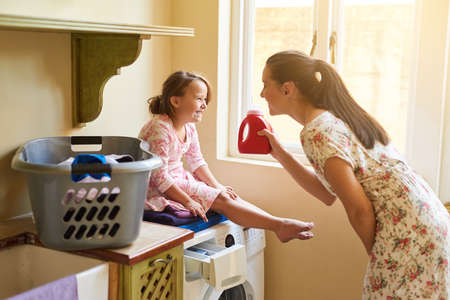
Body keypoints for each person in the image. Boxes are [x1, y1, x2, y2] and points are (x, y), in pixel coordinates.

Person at [257, 50, 449, 299]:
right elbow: (327, 193)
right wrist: (280, 153)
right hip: (430, 222)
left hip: (410, 233)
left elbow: (359, 210)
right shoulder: (336, 118)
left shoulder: (317, 131)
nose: (262, 93)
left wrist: (378, 256)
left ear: (287, 88)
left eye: (265, 85)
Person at [138, 70, 314, 243]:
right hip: (155, 186)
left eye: (205, 100)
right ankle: (279, 225)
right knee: (221, 200)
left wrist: (217, 186)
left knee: (227, 196)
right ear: (175, 101)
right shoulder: (159, 128)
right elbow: (159, 176)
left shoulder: (189, 127)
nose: (204, 105)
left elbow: (196, 161)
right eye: (199, 99)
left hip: (177, 178)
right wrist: (188, 201)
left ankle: (278, 223)